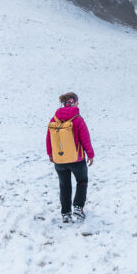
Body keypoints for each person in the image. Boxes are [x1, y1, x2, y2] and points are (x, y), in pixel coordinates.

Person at [46, 91, 95, 223]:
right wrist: (90, 155)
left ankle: (66, 213)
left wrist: (51, 155)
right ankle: (78, 207)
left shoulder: (54, 119)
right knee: (82, 181)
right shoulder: (77, 119)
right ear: (74, 102)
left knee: (64, 186)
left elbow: (49, 139)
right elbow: (85, 139)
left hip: (59, 161)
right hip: (77, 160)